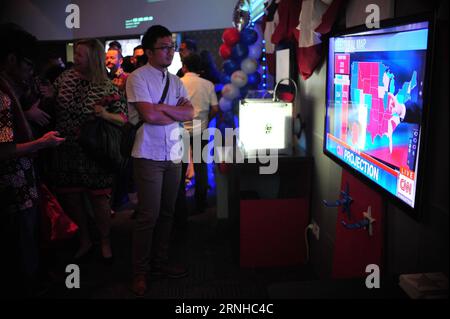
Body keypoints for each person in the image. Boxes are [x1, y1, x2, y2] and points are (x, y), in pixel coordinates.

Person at [126, 24, 194, 296]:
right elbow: (149, 117)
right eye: (165, 47)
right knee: (148, 215)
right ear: (150, 50)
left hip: (174, 154)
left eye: (172, 47)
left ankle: (160, 262)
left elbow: (189, 113)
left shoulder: (176, 80)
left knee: (168, 212)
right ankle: (139, 271)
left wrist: (162, 108)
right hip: (149, 153)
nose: (170, 52)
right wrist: (171, 111)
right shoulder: (137, 78)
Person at [0, 23, 65, 297]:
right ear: (12, 59)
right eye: (28, 65)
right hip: (13, 189)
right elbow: (4, 150)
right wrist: (43, 142)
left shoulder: (10, 91)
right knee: (21, 248)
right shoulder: (3, 98)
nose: (30, 72)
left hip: (19, 187)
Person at [49, 39, 127, 262]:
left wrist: (104, 114)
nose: (75, 59)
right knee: (72, 198)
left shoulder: (106, 85)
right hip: (66, 150)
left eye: (81, 55)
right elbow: (50, 105)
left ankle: (105, 239)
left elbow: (123, 119)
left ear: (93, 58)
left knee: (99, 201)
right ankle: (85, 238)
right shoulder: (63, 80)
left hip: (95, 153)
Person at [175, 53, 219, 229]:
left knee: (181, 168)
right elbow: (215, 108)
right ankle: (201, 203)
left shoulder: (178, 83)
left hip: (180, 130)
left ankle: (180, 205)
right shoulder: (208, 84)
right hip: (201, 129)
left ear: (184, 66)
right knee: (201, 166)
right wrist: (206, 118)